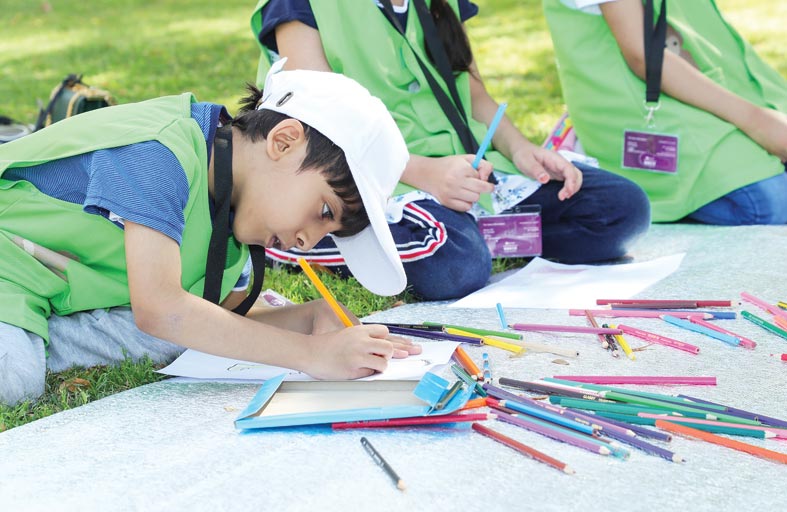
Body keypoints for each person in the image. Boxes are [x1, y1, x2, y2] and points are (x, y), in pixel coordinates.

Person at [0, 60, 421, 406]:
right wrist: (311, 354)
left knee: (188, 335)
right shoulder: (160, 153)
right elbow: (161, 309)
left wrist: (308, 317)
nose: (308, 241)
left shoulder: (235, 228)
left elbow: (220, 317)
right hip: (8, 268)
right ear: (284, 141)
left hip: (43, 295)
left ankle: (33, 338)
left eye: (327, 233)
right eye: (324, 211)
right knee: (13, 377)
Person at [251, 0, 651, 301]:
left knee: (621, 208)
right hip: (375, 183)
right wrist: (425, 172)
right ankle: (299, 247)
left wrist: (523, 148)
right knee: (457, 268)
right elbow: (319, 114)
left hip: (464, 175)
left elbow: (474, 93)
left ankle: (468, 234)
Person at [543, 0, 787, 224]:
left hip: (711, 90)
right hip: (640, 110)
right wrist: (756, 121)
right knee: (769, 201)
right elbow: (643, 55)